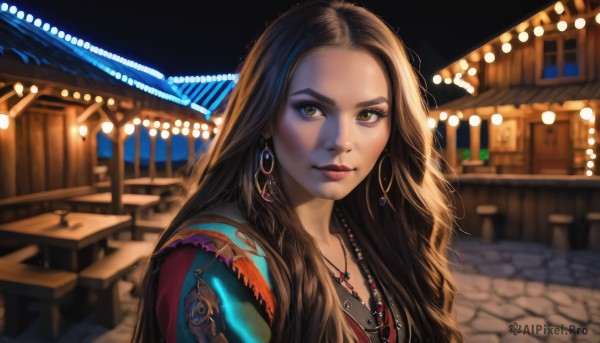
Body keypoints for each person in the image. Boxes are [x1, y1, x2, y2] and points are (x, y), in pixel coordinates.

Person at [131, 1, 463, 342]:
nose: (341, 141)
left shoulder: (374, 227)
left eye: (368, 114)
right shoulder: (215, 266)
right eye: (311, 108)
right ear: (264, 118)